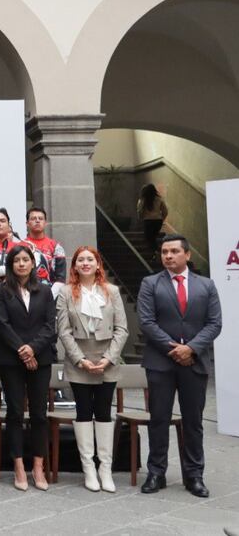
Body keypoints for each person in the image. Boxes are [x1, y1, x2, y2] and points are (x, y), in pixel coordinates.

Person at [137, 234, 222, 498]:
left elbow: (214, 323)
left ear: (187, 255)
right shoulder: (150, 283)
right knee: (159, 419)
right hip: (160, 363)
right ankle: (156, 473)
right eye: (164, 252)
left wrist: (192, 348)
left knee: (194, 422)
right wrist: (175, 349)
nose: (168, 256)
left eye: (174, 251)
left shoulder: (206, 285)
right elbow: (147, 322)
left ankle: (194, 476)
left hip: (194, 363)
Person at [55, 246, 128, 493]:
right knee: (84, 413)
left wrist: (109, 358)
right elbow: (63, 331)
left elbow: (122, 329)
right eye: (80, 260)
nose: (85, 263)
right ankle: (88, 468)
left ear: (98, 264)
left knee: (104, 413)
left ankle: (105, 469)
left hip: (107, 361)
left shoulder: (112, 291)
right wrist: (79, 360)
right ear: (74, 265)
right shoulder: (65, 293)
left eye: (90, 259)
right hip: (79, 363)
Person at [0, 245, 56, 491]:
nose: (21, 264)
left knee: (39, 414)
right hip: (12, 359)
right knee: (15, 413)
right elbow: (2, 324)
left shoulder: (45, 291)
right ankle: (18, 466)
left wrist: (33, 349)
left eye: (25, 259)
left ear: (33, 263)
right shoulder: (1, 291)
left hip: (41, 359)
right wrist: (22, 350)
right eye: (16, 260)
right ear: (10, 264)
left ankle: (38, 466)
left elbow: (51, 326)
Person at [24, 207, 67, 295]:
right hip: (25, 293)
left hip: (50, 294)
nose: (37, 221)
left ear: (45, 223)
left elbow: (61, 278)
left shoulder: (56, 246)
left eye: (40, 218)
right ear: (27, 223)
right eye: (33, 218)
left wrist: (49, 297)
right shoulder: (20, 246)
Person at [136, 184, 168, 254]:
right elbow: (165, 211)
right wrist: (162, 219)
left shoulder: (142, 200)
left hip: (148, 221)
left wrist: (140, 218)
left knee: (149, 238)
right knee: (153, 238)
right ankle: (155, 253)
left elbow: (140, 210)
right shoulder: (159, 199)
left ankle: (156, 252)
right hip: (158, 221)